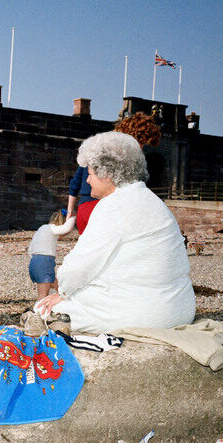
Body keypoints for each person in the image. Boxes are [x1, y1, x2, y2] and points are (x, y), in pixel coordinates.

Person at [38, 131, 194, 334]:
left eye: (91, 174)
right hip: (180, 307)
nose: (87, 181)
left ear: (107, 174)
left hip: (149, 315)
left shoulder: (113, 206)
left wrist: (64, 293)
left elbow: (80, 266)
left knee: (42, 309)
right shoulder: (152, 200)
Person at [28, 210, 76, 301]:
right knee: (43, 295)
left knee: (57, 287)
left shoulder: (42, 230)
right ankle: (38, 313)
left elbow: (30, 250)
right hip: (44, 263)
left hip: (34, 262)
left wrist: (37, 260)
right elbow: (66, 228)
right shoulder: (51, 229)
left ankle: (62, 305)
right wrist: (74, 216)